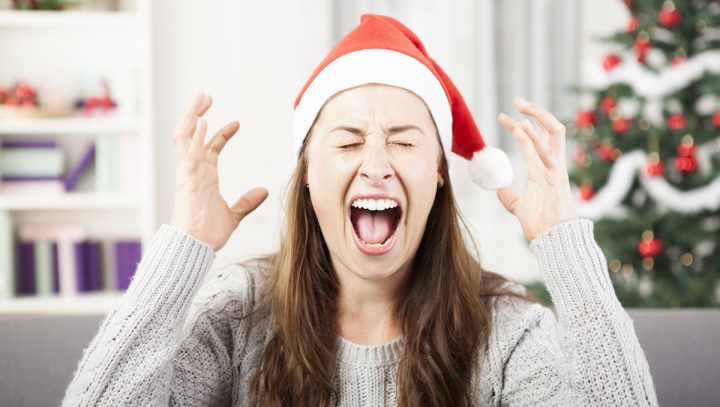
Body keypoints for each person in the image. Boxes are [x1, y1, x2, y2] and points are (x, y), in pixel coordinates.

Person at [62, 14, 657, 406]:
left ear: (441, 173)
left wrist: (565, 247)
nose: (375, 163)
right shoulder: (240, 314)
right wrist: (184, 245)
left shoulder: (507, 329)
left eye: (403, 140)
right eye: (347, 142)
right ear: (309, 175)